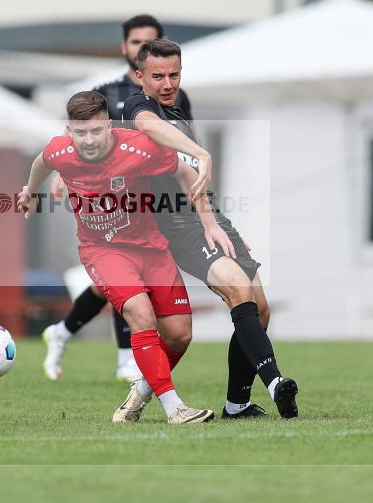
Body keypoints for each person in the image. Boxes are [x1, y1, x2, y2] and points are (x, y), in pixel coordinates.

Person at [118, 38, 299, 420]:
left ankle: (237, 405)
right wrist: (202, 153)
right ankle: (275, 383)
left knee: (259, 310)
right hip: (177, 227)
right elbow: (150, 127)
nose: (167, 83)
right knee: (237, 292)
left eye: (174, 74)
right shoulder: (137, 108)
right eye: (158, 76)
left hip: (208, 220)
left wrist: (219, 223)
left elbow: (193, 179)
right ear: (140, 76)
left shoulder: (179, 112)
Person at [20, 91, 225, 424]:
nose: (89, 140)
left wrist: (210, 223)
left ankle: (140, 393)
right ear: (69, 131)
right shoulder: (60, 150)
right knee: (140, 314)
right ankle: (175, 409)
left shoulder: (140, 148)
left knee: (179, 334)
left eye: (96, 131)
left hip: (150, 247)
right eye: (80, 132)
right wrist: (30, 192)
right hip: (102, 251)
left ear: (110, 126)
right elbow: (41, 163)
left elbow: (185, 174)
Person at [42, 14, 210, 383]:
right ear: (125, 48)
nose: (140, 49)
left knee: (114, 284)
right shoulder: (107, 92)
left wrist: (200, 183)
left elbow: (189, 141)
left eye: (148, 43)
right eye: (135, 43)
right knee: (125, 280)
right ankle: (126, 359)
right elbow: (77, 137)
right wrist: (58, 174)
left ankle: (65, 332)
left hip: (161, 199)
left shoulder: (177, 96)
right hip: (116, 200)